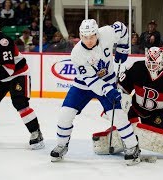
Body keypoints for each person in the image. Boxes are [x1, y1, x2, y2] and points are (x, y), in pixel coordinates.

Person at [50, 19, 140, 164]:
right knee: (65, 114)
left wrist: (123, 48)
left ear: (97, 33)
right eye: (85, 37)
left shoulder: (107, 33)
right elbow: (91, 81)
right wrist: (108, 90)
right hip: (83, 86)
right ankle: (62, 144)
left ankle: (132, 146)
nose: (89, 40)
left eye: (92, 36)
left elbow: (122, 28)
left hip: (108, 81)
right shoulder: (77, 53)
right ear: (80, 36)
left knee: (117, 115)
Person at [92, 47, 163, 158]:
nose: (151, 67)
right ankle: (128, 141)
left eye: (154, 64)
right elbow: (121, 88)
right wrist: (118, 104)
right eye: (149, 64)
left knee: (155, 137)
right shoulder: (137, 68)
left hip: (159, 114)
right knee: (126, 127)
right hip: (136, 110)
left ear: (162, 62)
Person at [0, 14, 44, 150]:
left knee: (20, 103)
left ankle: (36, 133)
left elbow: (9, 69)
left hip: (17, 74)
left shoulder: (4, 41)